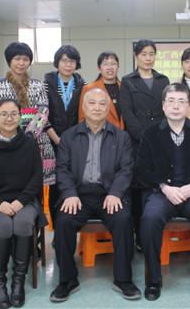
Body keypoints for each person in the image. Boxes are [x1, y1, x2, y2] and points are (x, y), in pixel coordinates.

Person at [50, 88, 140, 303]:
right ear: (83, 107)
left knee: (123, 219)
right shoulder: (69, 136)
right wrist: (69, 194)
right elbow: (61, 168)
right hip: (78, 195)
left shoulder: (121, 136)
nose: (97, 108)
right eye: (92, 103)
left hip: (109, 194)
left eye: (102, 104)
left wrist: (115, 193)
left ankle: (123, 279)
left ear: (108, 109)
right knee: (63, 221)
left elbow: (126, 169)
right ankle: (67, 280)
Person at [136, 83, 190, 301]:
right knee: (150, 219)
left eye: (182, 101)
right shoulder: (150, 133)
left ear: (189, 106)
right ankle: (154, 280)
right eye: (171, 101)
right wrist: (164, 187)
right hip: (162, 192)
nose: (176, 106)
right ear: (163, 105)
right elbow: (142, 170)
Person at [0, 98, 45, 308]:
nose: (9, 118)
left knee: (22, 224)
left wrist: (21, 200)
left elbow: (37, 176)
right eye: (3, 114)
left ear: (20, 117)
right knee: (3, 225)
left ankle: (18, 281)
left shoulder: (29, 143)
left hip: (24, 200)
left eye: (14, 114)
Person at [120, 39, 170, 252]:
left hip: (160, 141)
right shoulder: (127, 81)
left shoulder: (163, 79)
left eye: (151, 54)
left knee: (157, 187)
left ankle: (155, 235)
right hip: (136, 143)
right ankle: (139, 237)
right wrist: (143, 136)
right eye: (144, 54)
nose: (148, 58)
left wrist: (157, 137)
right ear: (136, 56)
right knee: (138, 190)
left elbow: (168, 108)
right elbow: (127, 111)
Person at [0, 42, 55, 197]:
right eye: (17, 59)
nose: (21, 63)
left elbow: (43, 112)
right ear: (9, 60)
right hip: (6, 143)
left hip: (37, 142)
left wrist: (28, 136)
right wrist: (13, 137)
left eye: (25, 59)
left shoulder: (38, 85)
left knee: (39, 191)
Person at [44, 45, 86, 224]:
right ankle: (56, 227)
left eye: (72, 61)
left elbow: (84, 115)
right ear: (57, 62)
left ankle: (74, 222)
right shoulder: (46, 85)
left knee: (76, 181)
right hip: (52, 142)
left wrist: (71, 141)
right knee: (55, 184)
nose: (68, 65)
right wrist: (58, 140)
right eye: (64, 61)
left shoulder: (83, 85)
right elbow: (43, 115)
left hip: (77, 142)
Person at [78, 51, 124, 129]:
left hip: (123, 134)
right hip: (98, 134)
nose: (110, 67)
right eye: (105, 64)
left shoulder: (124, 88)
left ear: (118, 67)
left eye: (113, 63)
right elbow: (82, 118)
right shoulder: (89, 89)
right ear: (99, 68)